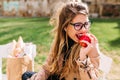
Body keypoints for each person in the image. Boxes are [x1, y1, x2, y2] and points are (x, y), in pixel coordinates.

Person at [22, 1, 112, 80]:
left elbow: (92, 78)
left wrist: (83, 57)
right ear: (65, 27)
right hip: (57, 77)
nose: (84, 29)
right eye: (78, 25)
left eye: (86, 24)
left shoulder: (90, 46)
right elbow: (47, 67)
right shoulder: (59, 42)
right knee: (26, 74)